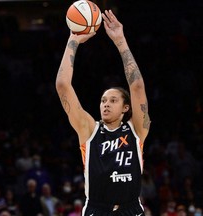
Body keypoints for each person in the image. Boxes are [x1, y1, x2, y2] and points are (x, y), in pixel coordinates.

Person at [56, 9, 150, 216]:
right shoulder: (89, 129)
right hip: (97, 210)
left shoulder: (137, 130)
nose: (106, 104)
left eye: (113, 100)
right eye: (103, 100)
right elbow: (63, 85)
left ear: (126, 108)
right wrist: (73, 41)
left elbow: (137, 87)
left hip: (131, 209)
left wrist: (120, 41)